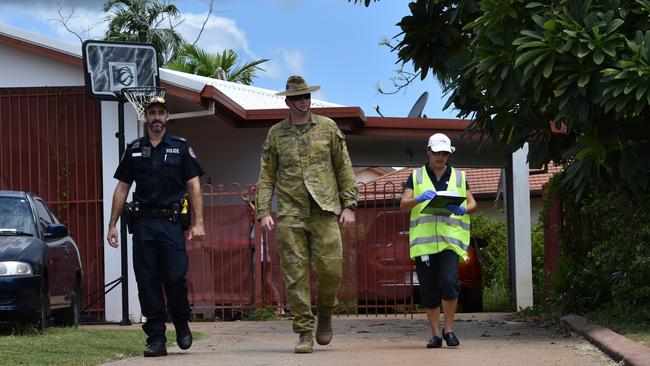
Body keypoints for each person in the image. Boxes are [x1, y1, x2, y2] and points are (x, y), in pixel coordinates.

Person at [256, 75, 358, 354]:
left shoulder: (328, 128)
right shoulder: (276, 133)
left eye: (307, 96)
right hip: (290, 213)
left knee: (331, 270)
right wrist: (263, 211)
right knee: (295, 275)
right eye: (298, 97)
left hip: (324, 210)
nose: (304, 101)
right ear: (288, 101)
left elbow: (344, 167)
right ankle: (303, 332)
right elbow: (267, 176)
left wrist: (349, 204)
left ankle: (324, 314)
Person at [106, 96, 205, 357]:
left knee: (174, 277)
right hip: (143, 225)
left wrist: (198, 223)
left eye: (161, 113)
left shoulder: (181, 147)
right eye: (152, 113)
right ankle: (156, 338)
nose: (157, 117)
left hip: (171, 225)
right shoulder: (134, 149)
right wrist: (112, 224)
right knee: (147, 281)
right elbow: (122, 187)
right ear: (146, 118)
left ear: (168, 117)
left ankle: (182, 322)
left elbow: (193, 184)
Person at [399, 133, 476, 349]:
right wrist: (419, 199)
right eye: (436, 153)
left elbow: (473, 204)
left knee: (451, 282)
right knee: (428, 290)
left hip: (450, 241)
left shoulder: (459, 177)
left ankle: (449, 329)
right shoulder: (415, 176)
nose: (440, 157)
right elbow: (403, 204)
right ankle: (435, 335)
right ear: (428, 152)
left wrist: (462, 209)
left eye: (444, 153)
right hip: (424, 244)